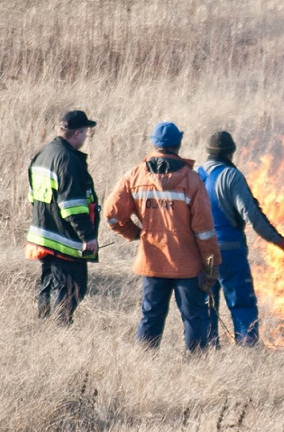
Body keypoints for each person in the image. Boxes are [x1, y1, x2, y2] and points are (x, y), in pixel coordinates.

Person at [106, 121, 221, 353]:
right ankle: (196, 366)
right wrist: (211, 266)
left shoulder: (135, 176)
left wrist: (137, 234)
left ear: (154, 143)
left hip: (152, 261)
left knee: (151, 316)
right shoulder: (192, 181)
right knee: (194, 317)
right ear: (179, 144)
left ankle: (144, 364)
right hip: (186, 265)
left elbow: (111, 215)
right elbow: (205, 231)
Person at [196, 131, 284, 346]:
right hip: (229, 252)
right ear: (231, 152)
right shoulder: (231, 176)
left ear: (209, 152)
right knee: (242, 304)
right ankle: (247, 353)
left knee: (206, 305)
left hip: (200, 252)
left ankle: (207, 354)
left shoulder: (195, 175)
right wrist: (279, 241)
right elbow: (252, 215)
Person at [24, 109, 100, 323]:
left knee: (48, 286)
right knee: (72, 288)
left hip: (43, 235)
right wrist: (87, 236)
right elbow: (71, 205)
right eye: (86, 132)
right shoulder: (68, 160)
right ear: (77, 134)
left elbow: (33, 196)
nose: (86, 137)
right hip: (64, 239)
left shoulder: (43, 154)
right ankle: (59, 330)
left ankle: (44, 326)